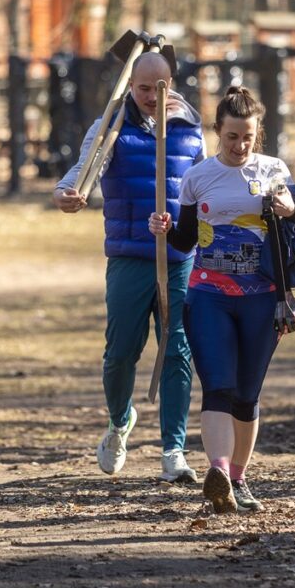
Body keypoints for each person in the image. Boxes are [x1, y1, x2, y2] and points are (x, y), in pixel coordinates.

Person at [149, 86, 295, 513]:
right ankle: (217, 473)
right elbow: (184, 239)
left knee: (247, 395)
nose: (240, 146)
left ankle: (239, 478)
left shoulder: (274, 170)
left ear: (258, 135)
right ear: (218, 131)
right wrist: (164, 228)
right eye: (232, 136)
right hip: (209, 297)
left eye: (248, 137)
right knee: (216, 386)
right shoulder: (198, 177)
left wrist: (291, 208)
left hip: (263, 299)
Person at [53, 52, 204, 484]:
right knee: (120, 354)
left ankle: (173, 449)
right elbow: (81, 173)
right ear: (131, 86)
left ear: (170, 84)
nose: (151, 98)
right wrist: (66, 194)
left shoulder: (191, 130)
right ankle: (120, 422)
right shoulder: (110, 127)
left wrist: (188, 226)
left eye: (159, 89)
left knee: (177, 352)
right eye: (142, 89)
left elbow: (200, 190)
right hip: (128, 256)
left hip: (178, 259)